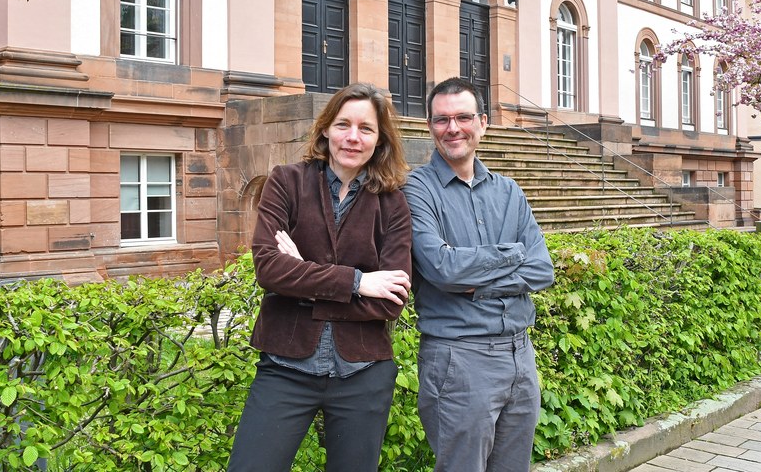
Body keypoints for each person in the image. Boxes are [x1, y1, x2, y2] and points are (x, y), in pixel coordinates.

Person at [228, 83, 414, 472]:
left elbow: (391, 300)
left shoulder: (393, 202)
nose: (352, 137)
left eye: (366, 128)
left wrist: (303, 274)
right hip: (286, 367)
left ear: (379, 141)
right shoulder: (287, 181)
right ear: (326, 128)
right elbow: (269, 268)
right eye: (343, 124)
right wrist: (358, 281)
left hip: (363, 372)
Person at [403, 77, 555, 472]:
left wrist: (477, 283)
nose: (452, 128)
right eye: (441, 120)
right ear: (430, 126)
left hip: (520, 354)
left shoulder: (509, 191)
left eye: (463, 117)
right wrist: (510, 254)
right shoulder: (417, 189)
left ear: (483, 122)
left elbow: (541, 268)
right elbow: (442, 269)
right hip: (459, 359)